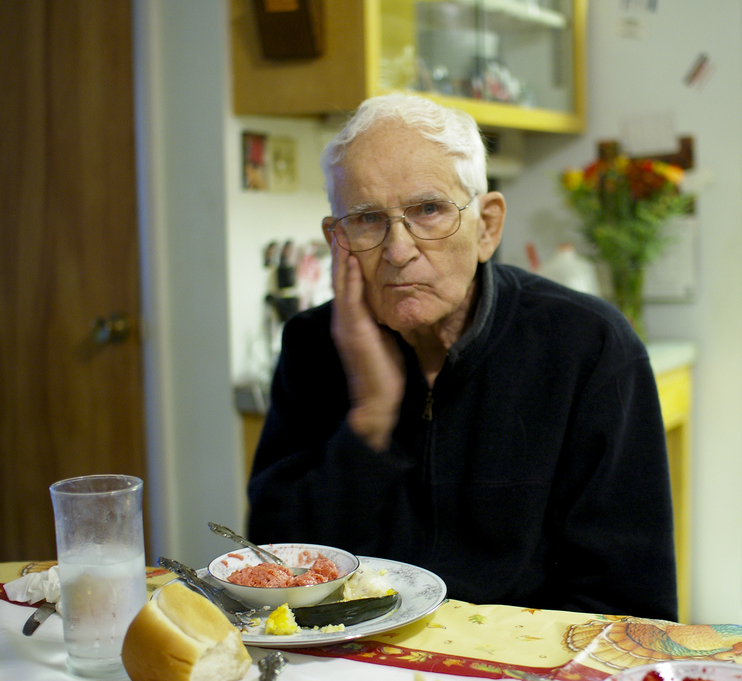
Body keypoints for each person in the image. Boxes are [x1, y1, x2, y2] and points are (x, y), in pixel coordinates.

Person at [245, 93, 678, 620]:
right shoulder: (313, 346)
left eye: (428, 210)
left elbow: (628, 606)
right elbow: (273, 569)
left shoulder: (590, 347)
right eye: (366, 220)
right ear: (336, 240)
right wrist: (371, 418)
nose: (398, 250)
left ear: (488, 226)